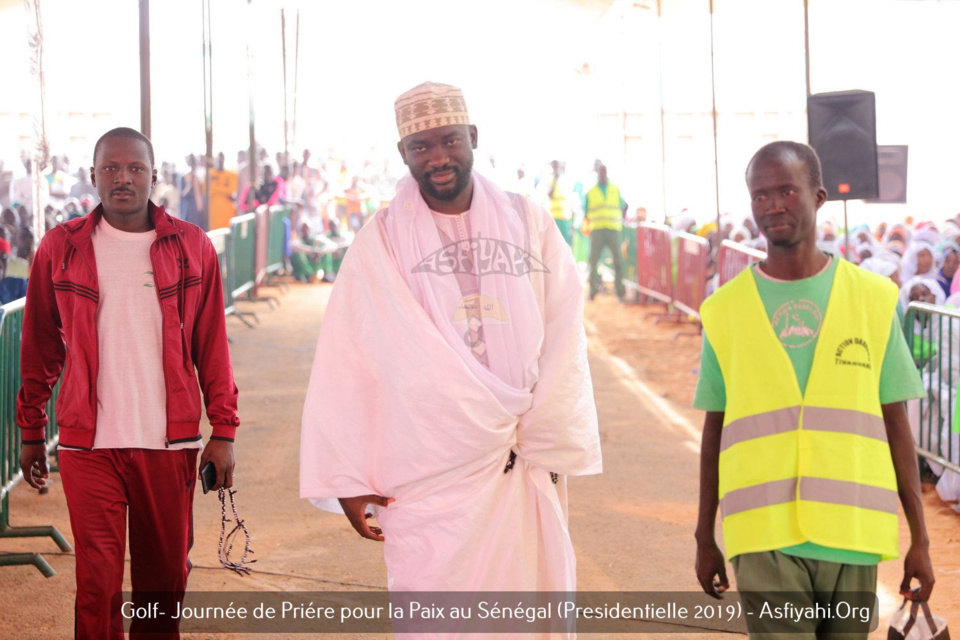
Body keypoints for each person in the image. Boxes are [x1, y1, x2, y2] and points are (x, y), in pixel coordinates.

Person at [300, 82, 601, 608]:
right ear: (403, 155)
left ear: (473, 137)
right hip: (426, 465)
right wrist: (344, 474)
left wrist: (551, 432)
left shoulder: (528, 221)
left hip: (519, 456)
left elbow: (563, 330)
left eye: (449, 140)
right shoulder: (383, 238)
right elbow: (348, 357)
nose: (437, 157)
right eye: (421, 146)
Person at [694, 141, 934, 639]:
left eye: (786, 190)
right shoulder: (723, 311)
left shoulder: (873, 299)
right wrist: (704, 533)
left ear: (819, 195)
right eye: (760, 195)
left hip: (852, 531)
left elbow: (896, 425)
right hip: (763, 534)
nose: (772, 205)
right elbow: (714, 430)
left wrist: (921, 538)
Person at [17, 127, 240, 640]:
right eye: (111, 168)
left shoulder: (191, 246)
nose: (123, 178)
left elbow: (212, 345)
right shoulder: (61, 247)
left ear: (153, 175)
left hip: (170, 442)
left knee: (162, 584)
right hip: (87, 443)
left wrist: (223, 430)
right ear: (92, 176)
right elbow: (40, 347)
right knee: (96, 584)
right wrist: (31, 429)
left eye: (135, 168)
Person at [584, 163, 627, 301]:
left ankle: (620, 291)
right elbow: (586, 212)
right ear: (598, 173)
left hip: (613, 229)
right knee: (593, 260)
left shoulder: (615, 189)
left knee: (618, 261)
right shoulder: (591, 192)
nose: (602, 173)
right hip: (597, 230)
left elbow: (623, 206)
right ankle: (592, 291)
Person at [207, 151, 238, 230]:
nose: (220, 161)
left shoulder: (231, 174)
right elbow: (207, 190)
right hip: (214, 214)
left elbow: (231, 190)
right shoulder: (209, 174)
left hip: (228, 212)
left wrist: (216, 188)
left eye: (222, 158)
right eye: (218, 159)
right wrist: (224, 189)